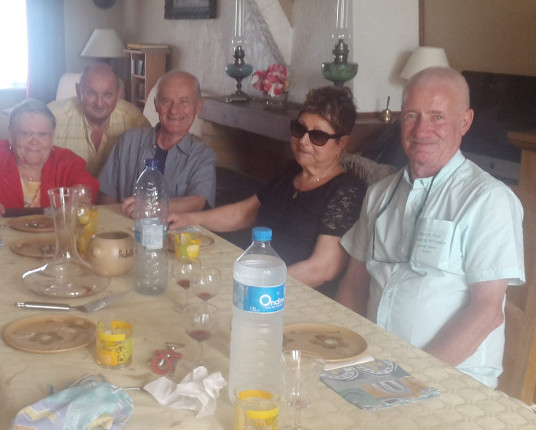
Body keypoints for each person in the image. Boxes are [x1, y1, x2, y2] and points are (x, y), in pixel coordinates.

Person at [336, 67, 525, 388]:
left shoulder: (488, 199)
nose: (421, 130)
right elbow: (354, 285)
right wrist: (342, 355)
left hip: (452, 380)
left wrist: (407, 381)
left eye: (437, 117)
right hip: (375, 366)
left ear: (465, 121)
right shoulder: (380, 194)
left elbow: (487, 312)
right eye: (412, 115)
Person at [169, 86, 366, 294]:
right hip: (254, 276)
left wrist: (259, 283)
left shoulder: (347, 191)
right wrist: (190, 219)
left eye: (318, 136)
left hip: (289, 293)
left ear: (341, 143)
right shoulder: (291, 172)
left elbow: (323, 268)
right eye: (299, 129)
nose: (303, 141)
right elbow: (243, 213)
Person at [0, 99, 99, 219]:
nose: (34, 142)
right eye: (26, 133)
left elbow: (86, 192)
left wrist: (80, 199)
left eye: (42, 134)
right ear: (11, 135)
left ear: (52, 137)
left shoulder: (68, 161)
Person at [98, 70, 216, 214]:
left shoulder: (203, 156)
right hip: (125, 225)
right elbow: (106, 196)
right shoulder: (128, 141)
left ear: (198, 107)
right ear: (156, 105)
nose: (174, 110)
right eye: (166, 101)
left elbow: (198, 201)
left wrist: (152, 207)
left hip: (175, 229)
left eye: (184, 102)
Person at [48, 62, 150, 176]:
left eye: (108, 94)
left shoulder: (135, 121)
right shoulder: (53, 118)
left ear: (119, 94)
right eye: (91, 93)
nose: (99, 103)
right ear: (78, 91)